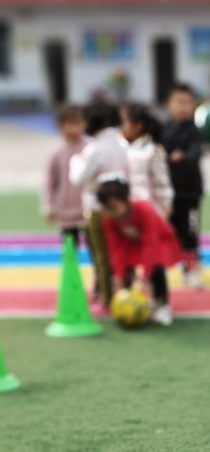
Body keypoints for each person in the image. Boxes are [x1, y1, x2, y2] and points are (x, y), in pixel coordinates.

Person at [97, 176, 181, 327]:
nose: (110, 212)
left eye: (114, 207)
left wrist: (145, 276)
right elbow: (116, 249)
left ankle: (162, 304)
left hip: (159, 240)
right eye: (106, 208)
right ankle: (126, 303)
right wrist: (119, 276)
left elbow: (151, 244)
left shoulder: (144, 210)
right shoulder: (109, 220)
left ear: (126, 200)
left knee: (157, 267)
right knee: (125, 271)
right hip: (133, 243)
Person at [69, 102, 129, 310]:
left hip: (98, 207)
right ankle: (125, 292)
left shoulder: (95, 149)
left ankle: (107, 298)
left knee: (102, 255)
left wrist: (75, 162)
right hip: (122, 206)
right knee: (121, 252)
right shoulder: (121, 144)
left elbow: (79, 179)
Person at [162, 82, 204, 289]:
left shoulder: (194, 130)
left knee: (189, 232)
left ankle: (192, 269)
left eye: (187, 102)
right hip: (167, 193)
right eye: (178, 102)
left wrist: (184, 156)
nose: (183, 107)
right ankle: (164, 268)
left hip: (189, 192)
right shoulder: (163, 129)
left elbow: (196, 153)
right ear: (168, 104)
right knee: (168, 232)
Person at [42, 106, 87, 246]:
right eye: (68, 123)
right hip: (66, 209)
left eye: (76, 122)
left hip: (88, 208)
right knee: (69, 247)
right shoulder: (56, 152)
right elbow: (50, 181)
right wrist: (49, 205)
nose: (72, 128)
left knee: (96, 246)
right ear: (60, 126)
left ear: (84, 124)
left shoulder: (91, 148)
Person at [120, 102, 173, 219]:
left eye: (124, 122)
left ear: (138, 126)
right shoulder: (122, 147)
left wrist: (165, 205)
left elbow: (161, 181)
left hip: (148, 209)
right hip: (126, 209)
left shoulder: (152, 150)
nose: (121, 127)